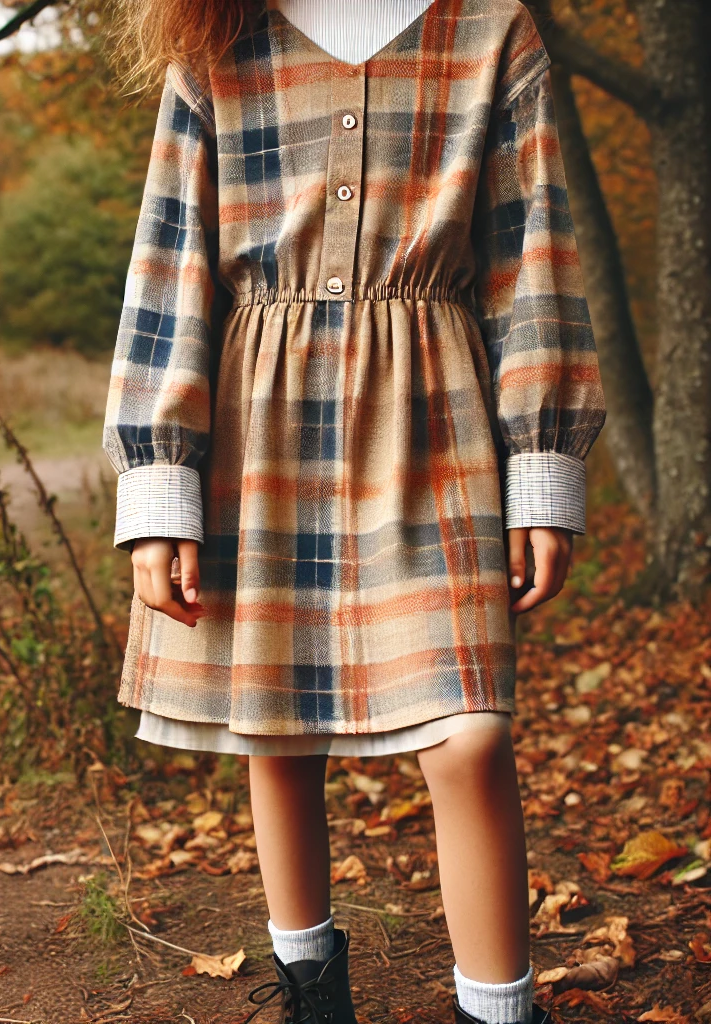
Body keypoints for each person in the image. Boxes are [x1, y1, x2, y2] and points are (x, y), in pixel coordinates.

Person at [103, 0, 606, 1020]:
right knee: (277, 728)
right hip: (257, 417)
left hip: (434, 421)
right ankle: (311, 990)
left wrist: (541, 461)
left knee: (467, 732)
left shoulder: (487, 30)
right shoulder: (216, 37)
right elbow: (170, 265)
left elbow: (532, 255)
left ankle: (498, 1011)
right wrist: (160, 481)